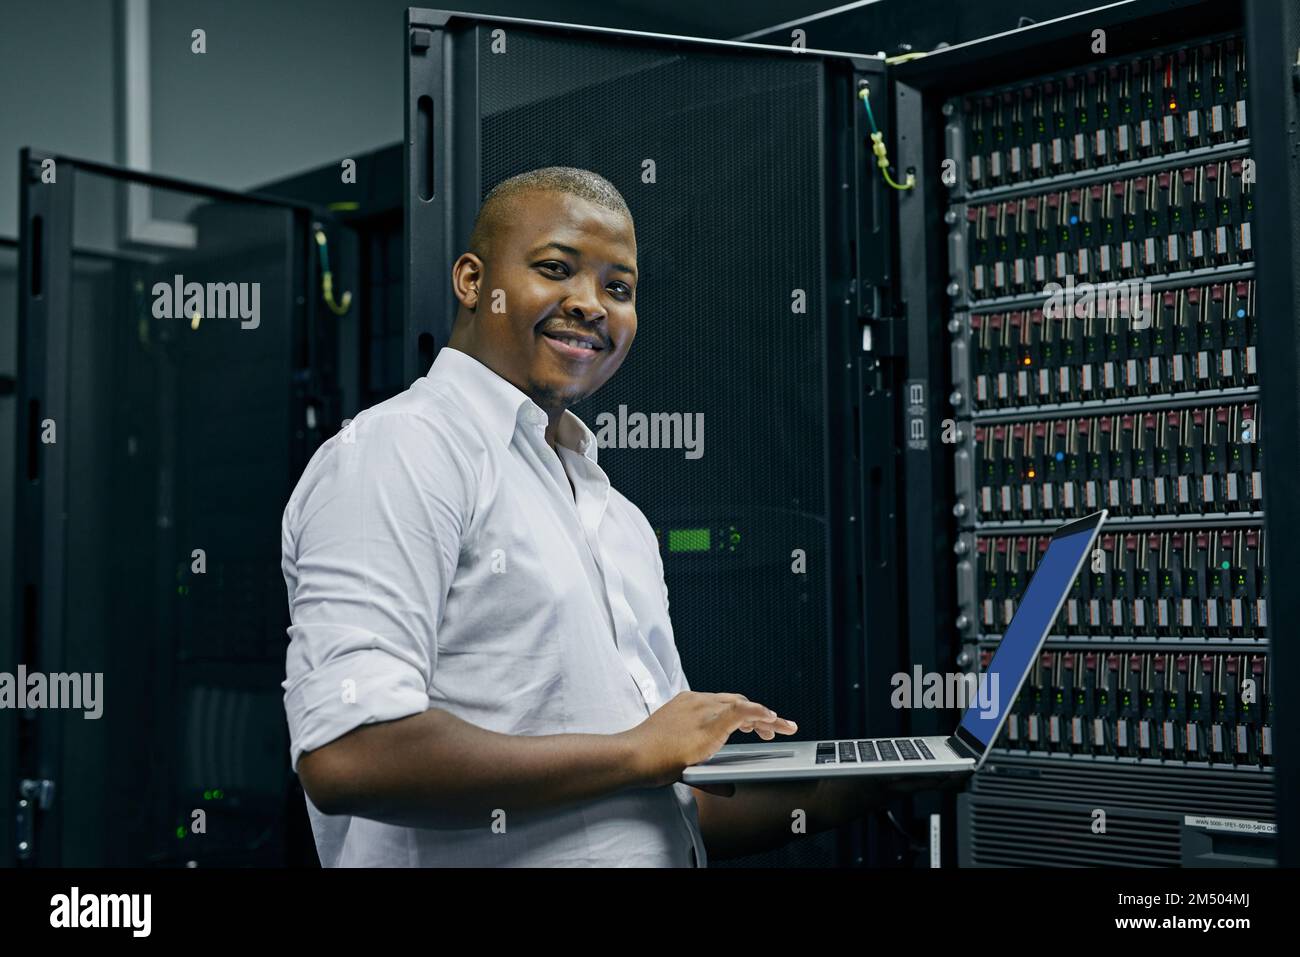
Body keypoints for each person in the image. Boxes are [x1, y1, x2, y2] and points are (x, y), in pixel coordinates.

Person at [281, 166, 926, 867]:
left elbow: (667, 808)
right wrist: (637, 752)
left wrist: (882, 781)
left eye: (618, 288)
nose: (591, 304)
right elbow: (349, 754)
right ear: (472, 281)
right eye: (556, 267)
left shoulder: (616, 517)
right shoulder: (403, 452)